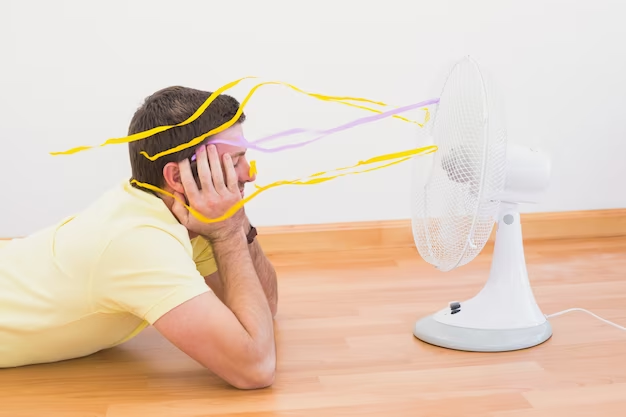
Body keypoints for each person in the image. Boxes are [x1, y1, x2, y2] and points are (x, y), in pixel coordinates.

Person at [0, 86, 278, 390]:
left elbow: (265, 305)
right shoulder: (139, 242)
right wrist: (228, 230)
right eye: (233, 162)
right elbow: (256, 368)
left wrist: (236, 222)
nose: (250, 174)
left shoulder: (176, 212)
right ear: (176, 178)